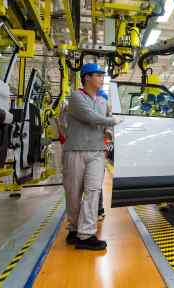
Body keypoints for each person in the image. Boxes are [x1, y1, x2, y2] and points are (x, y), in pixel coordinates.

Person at [62, 63, 120, 250]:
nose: (102, 79)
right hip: (75, 151)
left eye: (103, 76)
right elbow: (90, 117)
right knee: (73, 193)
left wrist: (110, 131)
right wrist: (112, 121)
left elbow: (104, 124)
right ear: (87, 77)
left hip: (96, 153)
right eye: (99, 75)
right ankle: (73, 229)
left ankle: (86, 235)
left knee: (93, 191)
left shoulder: (103, 101)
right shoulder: (76, 97)